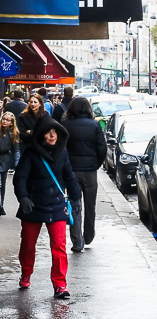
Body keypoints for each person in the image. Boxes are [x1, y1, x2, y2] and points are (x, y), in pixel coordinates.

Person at [13, 118, 81, 298]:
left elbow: (69, 175)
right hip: (33, 205)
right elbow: (19, 178)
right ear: (41, 134)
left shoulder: (62, 153)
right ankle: (26, 272)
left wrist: (76, 197)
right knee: (28, 244)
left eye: (55, 132)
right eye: (48, 132)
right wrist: (24, 198)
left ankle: (60, 284)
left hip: (56, 204)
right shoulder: (30, 154)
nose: (52, 136)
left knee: (59, 246)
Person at [60, 97, 106, 252]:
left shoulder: (65, 125)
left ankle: (77, 240)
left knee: (74, 204)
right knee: (90, 204)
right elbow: (102, 148)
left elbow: (61, 148)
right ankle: (89, 235)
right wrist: (96, 164)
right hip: (90, 171)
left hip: (71, 171)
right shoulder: (94, 125)